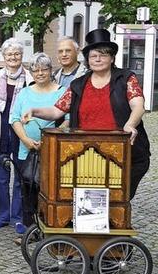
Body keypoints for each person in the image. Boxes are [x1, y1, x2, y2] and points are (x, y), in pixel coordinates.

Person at [24, 28, 150, 200]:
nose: (98, 59)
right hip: (86, 154)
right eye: (93, 56)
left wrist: (130, 124)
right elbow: (56, 110)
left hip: (122, 152)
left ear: (112, 58)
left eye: (103, 54)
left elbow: (138, 105)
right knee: (89, 199)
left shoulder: (126, 78)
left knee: (117, 199)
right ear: (88, 60)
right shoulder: (78, 84)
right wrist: (34, 111)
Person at [9, 52, 65, 234]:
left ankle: (50, 229)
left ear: (51, 70)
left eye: (44, 69)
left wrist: (48, 139)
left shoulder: (62, 91)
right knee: (27, 190)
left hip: (52, 150)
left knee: (50, 190)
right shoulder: (24, 92)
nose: (40, 73)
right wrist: (25, 140)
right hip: (27, 150)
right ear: (31, 73)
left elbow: (69, 120)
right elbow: (14, 118)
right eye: (36, 70)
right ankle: (29, 229)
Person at [0, 38, 33, 234]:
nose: (13, 58)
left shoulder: (30, 79)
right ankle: (3, 215)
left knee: (20, 178)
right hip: (1, 132)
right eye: (9, 54)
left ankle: (18, 217)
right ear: (3, 57)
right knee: (2, 178)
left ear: (22, 56)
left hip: (22, 133)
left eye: (16, 54)